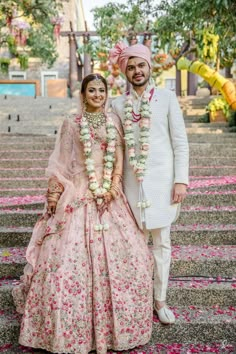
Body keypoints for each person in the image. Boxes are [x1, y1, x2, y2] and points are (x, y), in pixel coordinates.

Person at [12, 74, 153, 354]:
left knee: (131, 257)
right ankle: (68, 332)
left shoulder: (114, 121)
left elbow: (119, 160)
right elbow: (62, 162)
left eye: (101, 90)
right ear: (83, 94)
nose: (98, 94)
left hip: (110, 196)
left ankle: (116, 330)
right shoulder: (72, 123)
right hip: (78, 191)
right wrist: (53, 195)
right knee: (64, 261)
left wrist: (112, 188)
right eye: (92, 90)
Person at [109, 42, 189, 325]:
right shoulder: (117, 104)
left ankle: (160, 300)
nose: (136, 71)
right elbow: (114, 145)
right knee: (132, 246)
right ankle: (136, 300)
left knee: (162, 244)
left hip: (162, 183)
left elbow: (180, 142)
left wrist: (181, 180)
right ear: (125, 73)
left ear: (149, 66)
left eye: (140, 65)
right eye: (130, 67)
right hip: (129, 187)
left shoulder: (166, 97)